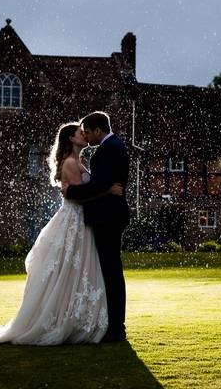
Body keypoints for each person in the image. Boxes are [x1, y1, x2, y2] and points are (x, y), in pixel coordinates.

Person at [0, 122, 123, 345]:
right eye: (81, 133)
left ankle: (73, 315)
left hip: (81, 220)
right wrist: (108, 190)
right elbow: (78, 195)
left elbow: (83, 189)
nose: (85, 135)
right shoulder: (71, 162)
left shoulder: (76, 161)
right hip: (75, 219)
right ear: (71, 139)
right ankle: (64, 319)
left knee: (74, 270)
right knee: (69, 269)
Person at [63, 111, 132, 343]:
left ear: (98, 130)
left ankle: (116, 329)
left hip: (108, 217)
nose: (87, 137)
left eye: (88, 132)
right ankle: (112, 325)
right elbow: (104, 184)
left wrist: (70, 192)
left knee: (111, 273)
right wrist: (107, 189)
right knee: (111, 272)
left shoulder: (108, 150)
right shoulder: (115, 146)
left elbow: (99, 185)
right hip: (111, 215)